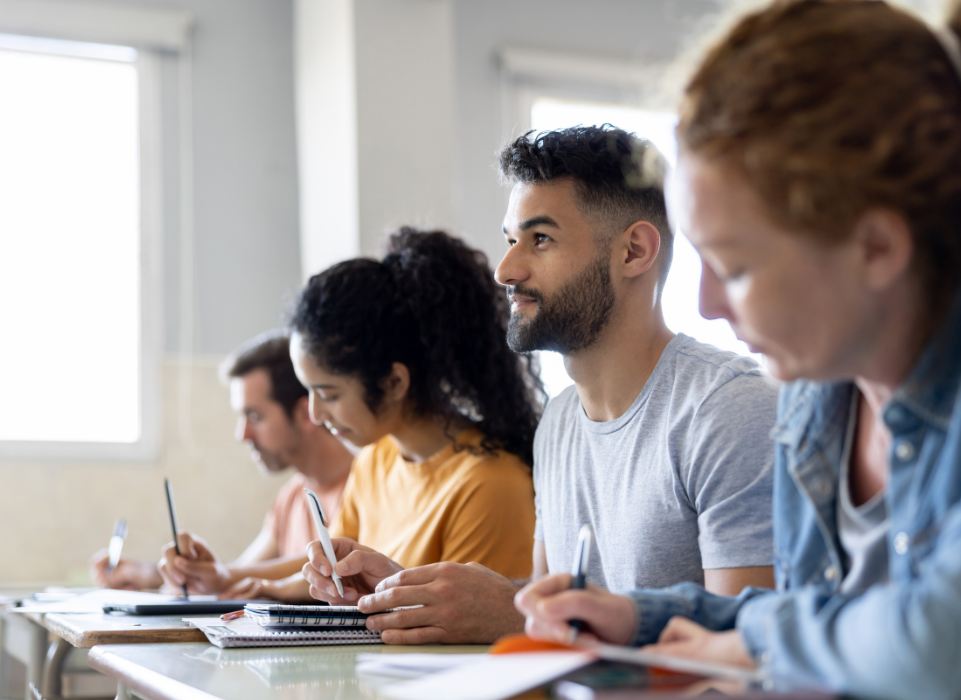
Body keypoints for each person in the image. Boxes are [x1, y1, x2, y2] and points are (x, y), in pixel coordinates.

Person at [516, 2, 961, 698]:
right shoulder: (815, 404)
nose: (708, 305)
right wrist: (640, 618)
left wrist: (757, 647)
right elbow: (819, 617)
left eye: (738, 266)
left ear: (876, 247)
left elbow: (936, 643)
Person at [303, 125, 778, 644]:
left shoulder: (728, 410)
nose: (506, 270)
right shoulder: (559, 419)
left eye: (541, 239)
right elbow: (545, 597)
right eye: (511, 240)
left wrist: (518, 617)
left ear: (634, 251)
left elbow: (744, 645)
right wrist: (411, 591)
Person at [255, 227, 542, 602]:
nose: (315, 413)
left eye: (328, 394)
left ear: (393, 383)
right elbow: (338, 581)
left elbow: (475, 625)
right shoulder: (375, 460)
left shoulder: (490, 486)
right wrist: (250, 588)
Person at [90, 331, 354, 597]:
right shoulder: (292, 496)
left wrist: (222, 576)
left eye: (255, 416)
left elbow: (333, 562)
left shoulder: (364, 486)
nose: (243, 434)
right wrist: (154, 575)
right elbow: (243, 572)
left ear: (305, 413)